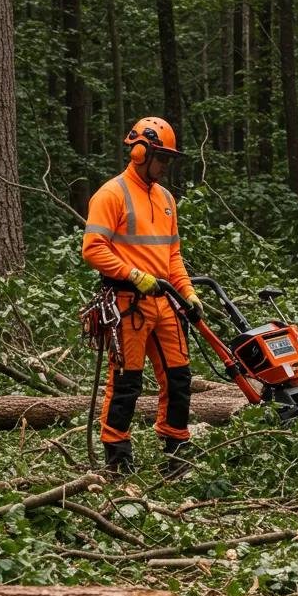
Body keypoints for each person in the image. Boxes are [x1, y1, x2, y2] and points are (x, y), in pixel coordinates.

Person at [82, 116, 203, 473]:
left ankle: (175, 448)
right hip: (127, 302)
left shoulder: (166, 198)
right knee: (126, 382)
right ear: (139, 152)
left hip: (165, 301)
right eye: (161, 158)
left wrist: (188, 293)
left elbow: (173, 255)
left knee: (179, 377)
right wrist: (133, 274)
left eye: (168, 159)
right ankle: (117, 456)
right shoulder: (111, 194)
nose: (165, 166)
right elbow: (92, 248)